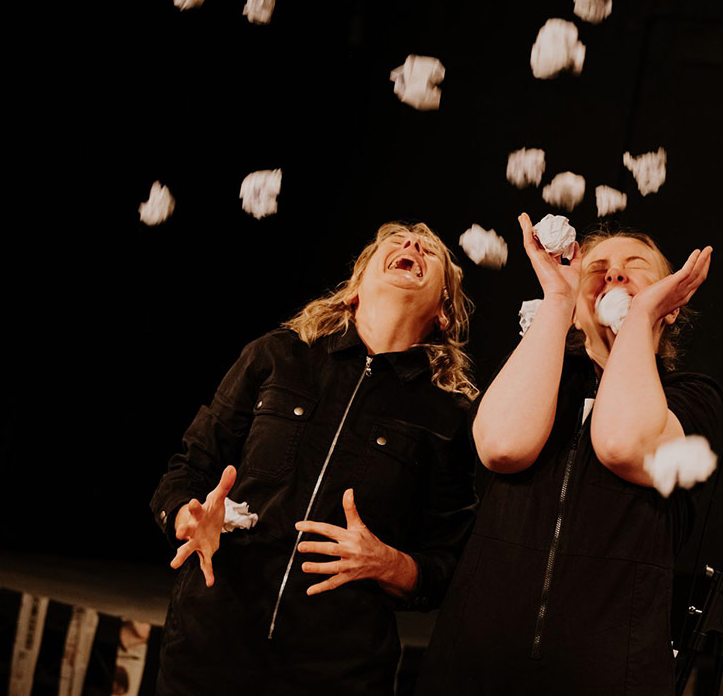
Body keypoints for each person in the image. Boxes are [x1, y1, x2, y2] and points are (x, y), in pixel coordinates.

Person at [150, 222, 478, 695]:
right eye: (398, 242)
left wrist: (390, 565)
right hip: (210, 646)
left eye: (428, 250)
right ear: (353, 290)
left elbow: (451, 564)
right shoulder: (276, 356)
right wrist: (188, 516)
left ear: (445, 310)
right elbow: (184, 473)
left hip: (339, 671)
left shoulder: (450, 414)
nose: (411, 246)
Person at [416, 215, 723, 696]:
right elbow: (501, 447)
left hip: (610, 673)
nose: (614, 274)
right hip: (476, 664)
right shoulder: (546, 376)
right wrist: (560, 301)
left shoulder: (690, 398)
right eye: (597, 267)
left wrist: (639, 317)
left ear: (672, 305)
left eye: (634, 266)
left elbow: (625, 446)